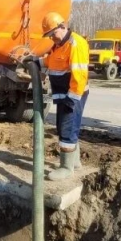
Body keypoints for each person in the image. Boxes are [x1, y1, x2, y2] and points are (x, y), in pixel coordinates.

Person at [39, 12, 90, 181]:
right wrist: (36, 61)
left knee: (67, 127)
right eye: (49, 35)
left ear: (63, 26)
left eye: (53, 33)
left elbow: (80, 74)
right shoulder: (59, 45)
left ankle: (66, 167)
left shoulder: (76, 43)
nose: (52, 38)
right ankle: (74, 162)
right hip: (65, 95)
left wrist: (72, 98)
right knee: (64, 126)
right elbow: (53, 61)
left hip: (73, 94)